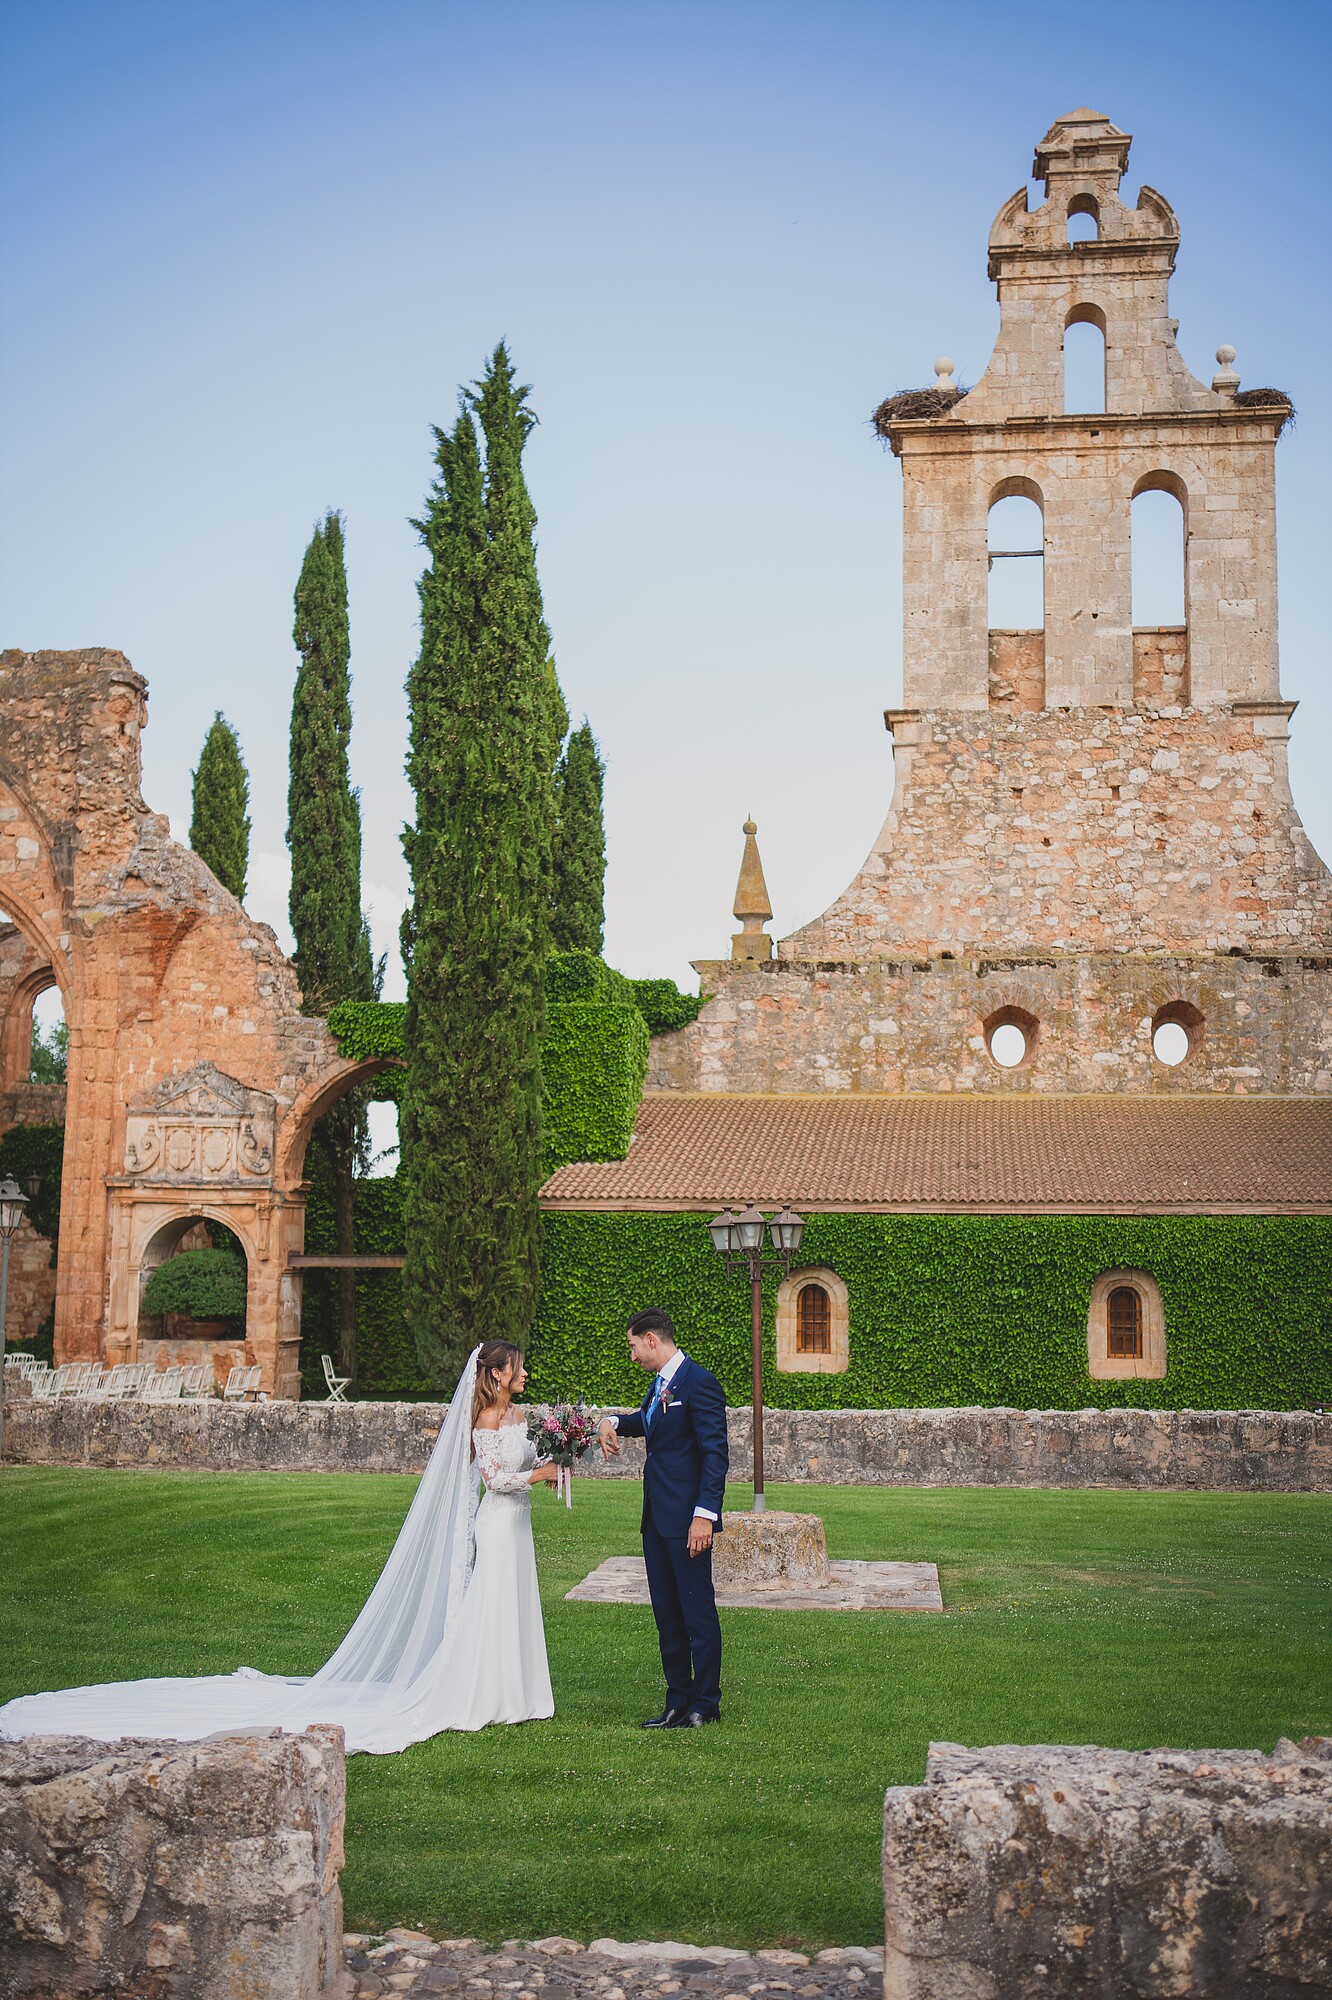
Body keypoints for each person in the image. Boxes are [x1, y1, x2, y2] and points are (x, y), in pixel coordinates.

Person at [0, 1341, 557, 1753]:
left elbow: (525, 1462)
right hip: (497, 1520)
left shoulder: (520, 1415)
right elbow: (495, 1478)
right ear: (498, 1374)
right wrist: (537, 1475)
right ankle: (483, 1692)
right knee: (489, 1602)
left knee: (513, 1603)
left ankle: (516, 1691)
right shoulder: (483, 1416)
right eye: (519, 1366)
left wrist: (559, 1457)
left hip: (520, 1525)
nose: (526, 1373)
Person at [598, 1307, 728, 1728]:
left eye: (633, 1346)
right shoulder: (660, 1386)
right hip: (655, 1519)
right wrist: (611, 1420)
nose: (632, 1355)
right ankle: (677, 1700)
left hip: (689, 1521)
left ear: (651, 1340)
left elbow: (715, 1456)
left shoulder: (700, 1383)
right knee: (667, 1614)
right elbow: (648, 1423)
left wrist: (704, 1516)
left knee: (697, 1614)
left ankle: (705, 1704)